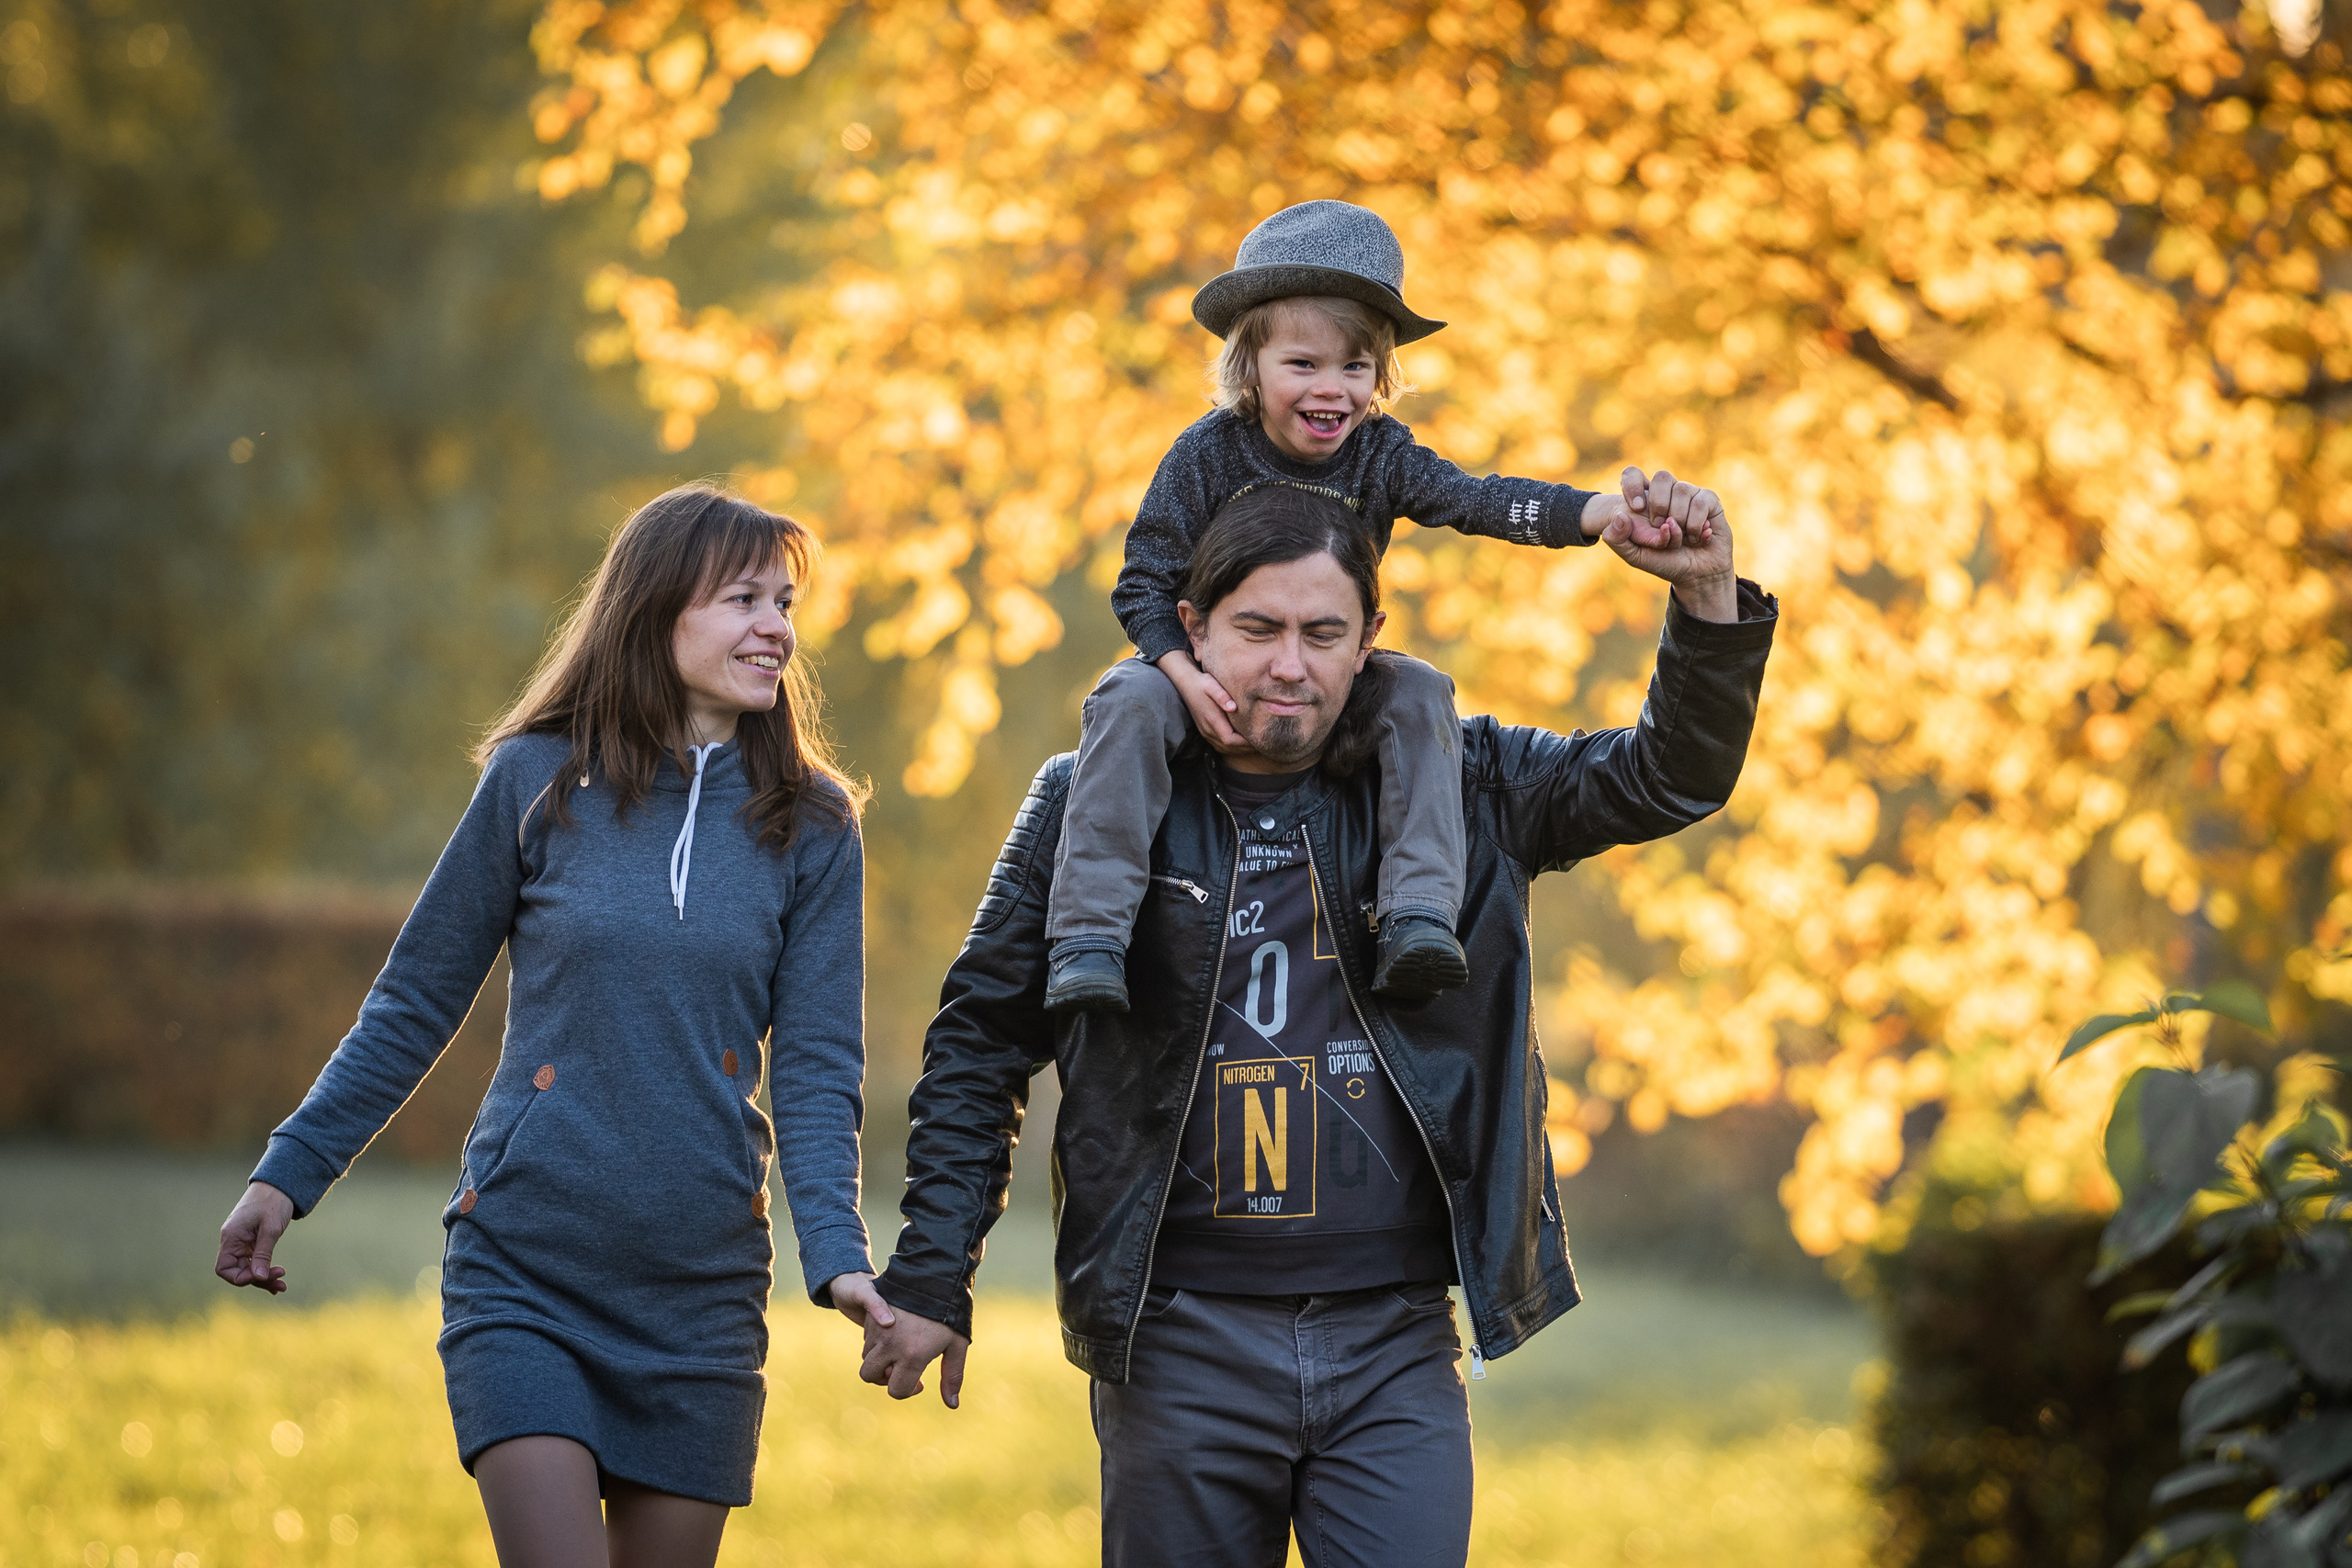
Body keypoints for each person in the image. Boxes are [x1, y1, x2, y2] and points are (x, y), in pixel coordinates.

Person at [860, 478, 1776, 1566]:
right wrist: (930, 1276)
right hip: (1178, 1337)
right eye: (1257, 629)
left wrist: (1707, 598)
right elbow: (980, 1043)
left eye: (1321, 633)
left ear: (1370, 640)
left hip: (1394, 1342)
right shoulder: (1089, 795)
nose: (1289, 664)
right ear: (1191, 628)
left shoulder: (1466, 784)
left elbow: (1667, 779)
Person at [214, 484, 893, 1568]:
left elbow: (816, 1066)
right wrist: (289, 1171)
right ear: (654, 610)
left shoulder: (812, 825)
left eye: (785, 603)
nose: (777, 628)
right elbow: (415, 999)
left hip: (700, 1290)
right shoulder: (539, 780)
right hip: (527, 1268)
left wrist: (839, 1256)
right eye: (743, 600)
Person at [1045, 197, 1713, 1015]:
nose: (1332, 390)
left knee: (1419, 689)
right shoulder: (1204, 455)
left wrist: (1592, 514)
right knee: (1125, 696)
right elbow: (1142, 581)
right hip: (1203, 676)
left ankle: (1417, 915)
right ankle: (1087, 939)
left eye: (1355, 369)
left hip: (1331, 691)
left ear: (1381, 375)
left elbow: (1474, 499)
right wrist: (1183, 676)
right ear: (1248, 367)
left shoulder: (1380, 454)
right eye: (1304, 365)